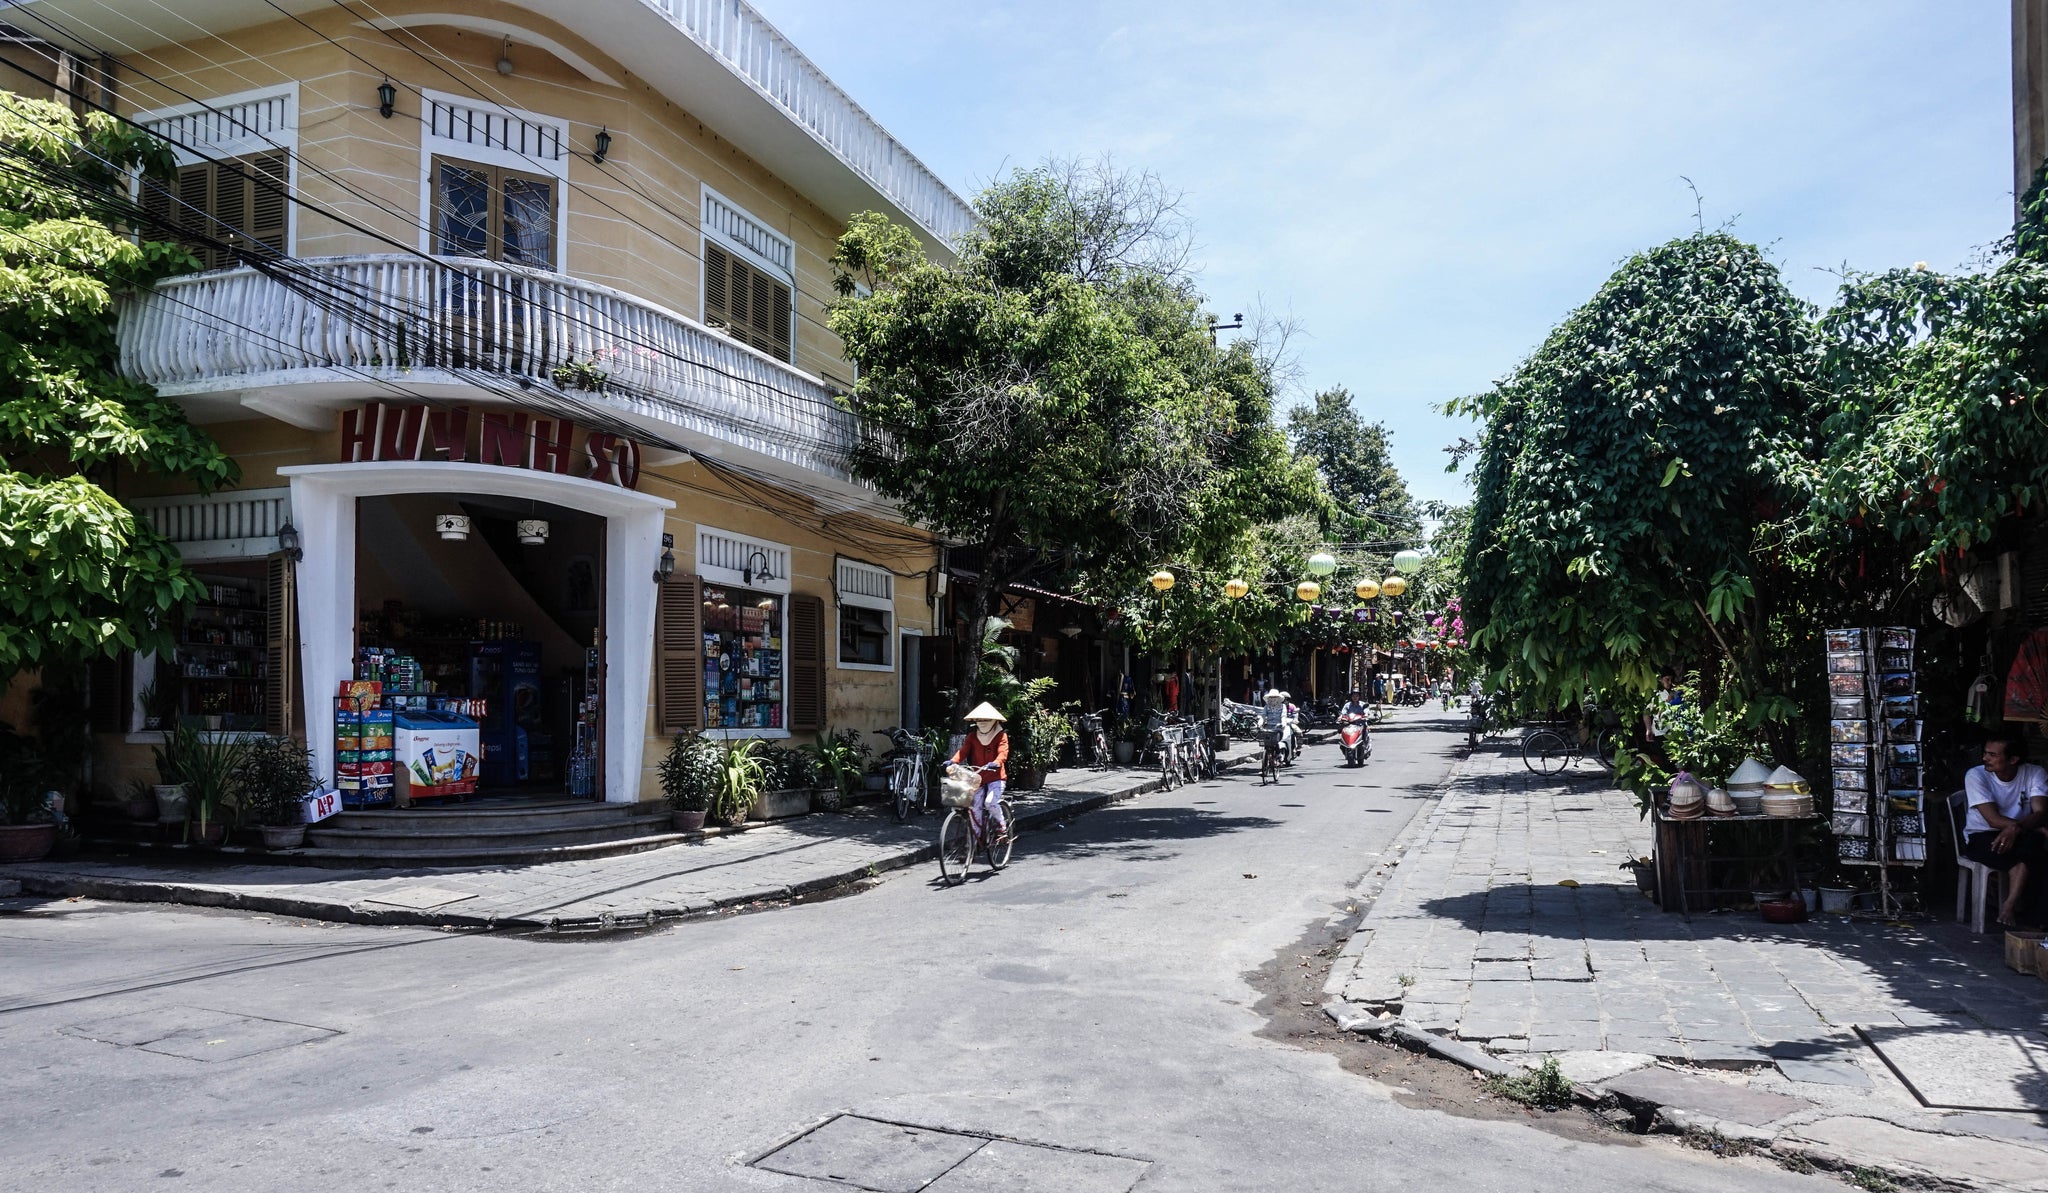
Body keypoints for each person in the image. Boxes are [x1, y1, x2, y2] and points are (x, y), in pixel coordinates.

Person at [1962, 732, 2048, 928]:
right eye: (1985, 753)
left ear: (2013, 759)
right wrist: (2018, 827)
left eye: (1992, 755)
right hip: (1982, 835)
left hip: (2022, 834)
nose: (1985, 758)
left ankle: (2023, 912)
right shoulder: (1976, 775)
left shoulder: (2035, 773)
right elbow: (1992, 820)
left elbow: (2041, 812)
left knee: (2033, 850)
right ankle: (2014, 907)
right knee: (2031, 854)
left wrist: (2016, 829)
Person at [949, 701, 1011, 838]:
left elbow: (1003, 752)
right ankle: (976, 838)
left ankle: (1001, 826)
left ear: (994, 721)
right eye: (980, 719)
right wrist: (953, 761)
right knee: (973, 806)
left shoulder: (1001, 736)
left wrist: (996, 762)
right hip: (978, 778)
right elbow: (963, 751)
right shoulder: (972, 737)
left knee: (990, 803)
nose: (982, 722)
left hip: (996, 778)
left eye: (986, 719)